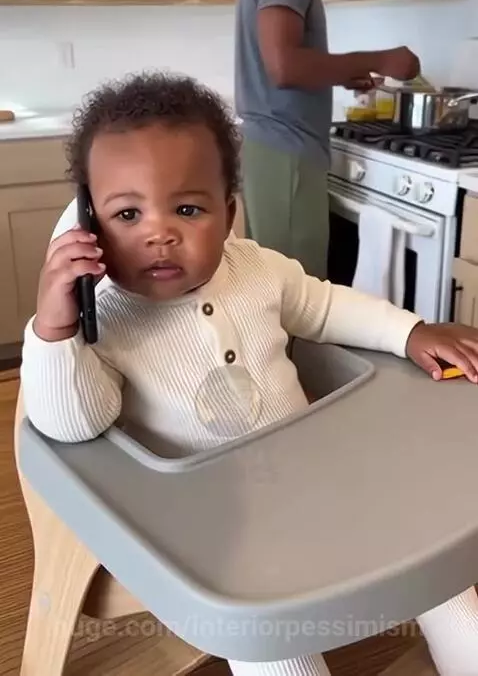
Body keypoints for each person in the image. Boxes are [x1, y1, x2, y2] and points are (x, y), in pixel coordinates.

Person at [21, 72, 478, 676]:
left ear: (229, 212)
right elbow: (74, 425)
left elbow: (323, 305)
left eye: (187, 208)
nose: (159, 232)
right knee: (275, 641)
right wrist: (56, 332)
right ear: (90, 227)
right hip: (213, 534)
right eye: (127, 213)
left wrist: (410, 331)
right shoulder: (100, 317)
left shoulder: (256, 269)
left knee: (440, 573)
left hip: (315, 480)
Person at [234, 0, 420, 280]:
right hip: (286, 159)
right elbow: (284, 66)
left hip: (278, 156)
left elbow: (286, 64)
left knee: (275, 287)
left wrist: (339, 73)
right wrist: (384, 59)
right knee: (295, 295)